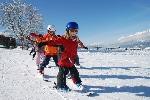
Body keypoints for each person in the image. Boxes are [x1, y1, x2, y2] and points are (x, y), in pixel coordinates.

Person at [39, 22, 88, 91]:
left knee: (75, 72)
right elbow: (54, 42)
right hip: (63, 59)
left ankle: (77, 83)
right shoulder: (62, 39)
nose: (74, 32)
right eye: (72, 30)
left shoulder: (76, 39)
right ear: (67, 30)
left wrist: (83, 47)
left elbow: (79, 44)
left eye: (76, 31)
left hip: (71, 59)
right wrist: (45, 42)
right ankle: (60, 86)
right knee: (63, 72)